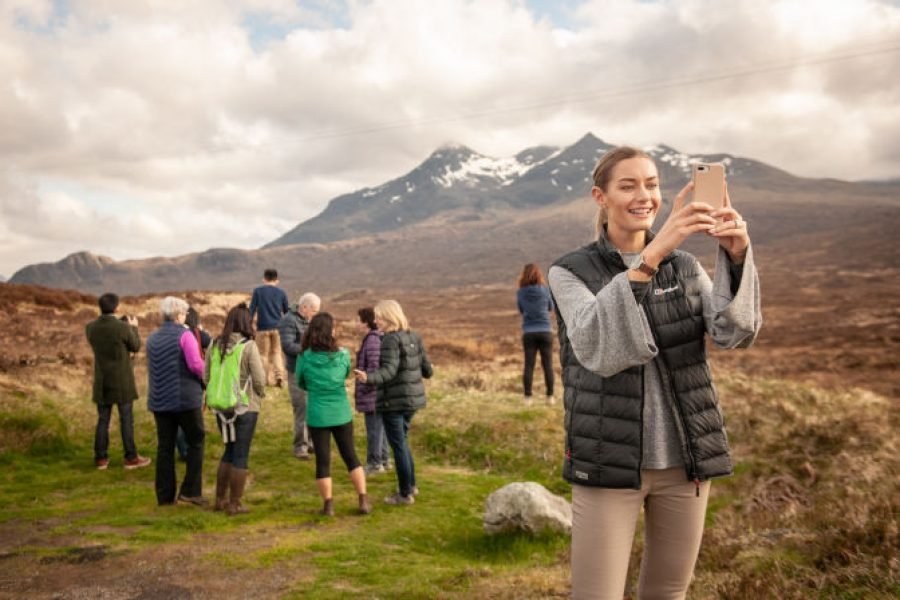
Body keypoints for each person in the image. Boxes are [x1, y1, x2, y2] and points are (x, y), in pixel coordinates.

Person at [549, 147, 762, 599]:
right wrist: (654, 253)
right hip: (610, 461)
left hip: (685, 462)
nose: (643, 195)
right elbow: (598, 348)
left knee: (668, 593)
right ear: (600, 197)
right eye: (628, 185)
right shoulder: (568, 272)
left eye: (651, 184)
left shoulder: (684, 267)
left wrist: (738, 255)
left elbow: (732, 332)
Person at [354, 300, 433, 506]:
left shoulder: (389, 340)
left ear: (389, 317)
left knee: (398, 446)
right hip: (413, 401)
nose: (376, 321)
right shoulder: (414, 336)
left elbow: (388, 370)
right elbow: (427, 370)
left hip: (394, 403)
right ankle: (411, 485)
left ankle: (405, 493)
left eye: (379, 317)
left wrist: (367, 378)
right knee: (402, 443)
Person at [295, 312, 371, 516]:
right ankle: (363, 499)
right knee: (350, 456)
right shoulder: (343, 355)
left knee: (322, 460)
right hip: (341, 412)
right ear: (330, 331)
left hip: (317, 414)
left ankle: (328, 505)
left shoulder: (304, 357)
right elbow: (345, 374)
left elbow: (300, 382)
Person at [204, 303, 266, 516]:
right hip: (246, 407)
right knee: (241, 454)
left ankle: (219, 500)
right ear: (246, 323)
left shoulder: (214, 345)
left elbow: (206, 377)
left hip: (221, 408)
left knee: (229, 450)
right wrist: (261, 395)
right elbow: (259, 380)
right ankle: (235, 504)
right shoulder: (248, 346)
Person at [145, 296, 207, 506]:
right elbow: (197, 366)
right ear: (180, 314)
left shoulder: (152, 338)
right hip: (185, 399)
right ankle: (190, 491)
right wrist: (210, 375)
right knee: (196, 441)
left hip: (159, 400)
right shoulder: (185, 335)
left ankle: (164, 495)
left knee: (165, 447)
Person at [85, 293, 152, 470]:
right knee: (126, 420)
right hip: (122, 380)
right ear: (116, 307)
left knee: (103, 420)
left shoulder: (90, 328)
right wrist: (134, 328)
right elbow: (136, 346)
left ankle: (101, 458)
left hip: (102, 380)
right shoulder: (122, 327)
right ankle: (130, 458)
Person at [277, 292, 321, 459]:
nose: (316, 314)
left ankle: (311, 442)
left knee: (313, 407)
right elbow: (288, 346)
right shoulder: (288, 320)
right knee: (301, 407)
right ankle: (300, 447)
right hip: (296, 371)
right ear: (304, 307)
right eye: (315, 311)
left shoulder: (311, 321)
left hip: (312, 371)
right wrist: (310, 349)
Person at [354, 307, 389, 475]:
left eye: (357, 320)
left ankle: (375, 464)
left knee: (374, 429)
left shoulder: (373, 340)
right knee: (379, 428)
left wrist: (366, 383)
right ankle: (384, 460)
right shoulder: (373, 339)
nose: (356, 323)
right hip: (375, 392)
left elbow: (375, 367)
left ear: (365, 322)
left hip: (372, 393)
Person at [517, 263, 555, 406]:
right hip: (546, 331)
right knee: (548, 365)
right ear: (539, 275)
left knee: (529, 365)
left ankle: (528, 398)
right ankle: (550, 397)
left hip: (529, 332)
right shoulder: (545, 291)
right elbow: (551, 307)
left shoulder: (521, 292)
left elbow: (521, 309)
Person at [176, 306, 211, 461]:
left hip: (173, 381)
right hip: (193, 381)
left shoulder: (174, 333)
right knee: (193, 418)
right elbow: (212, 347)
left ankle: (183, 450)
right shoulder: (197, 334)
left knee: (177, 420)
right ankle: (191, 450)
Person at [249, 268, 290, 387]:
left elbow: (251, 310)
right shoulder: (281, 293)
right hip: (278, 328)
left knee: (263, 354)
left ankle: (264, 380)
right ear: (277, 280)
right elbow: (286, 311)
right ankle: (280, 377)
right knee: (276, 353)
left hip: (262, 328)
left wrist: (248, 325)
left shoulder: (258, 292)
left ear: (264, 279)